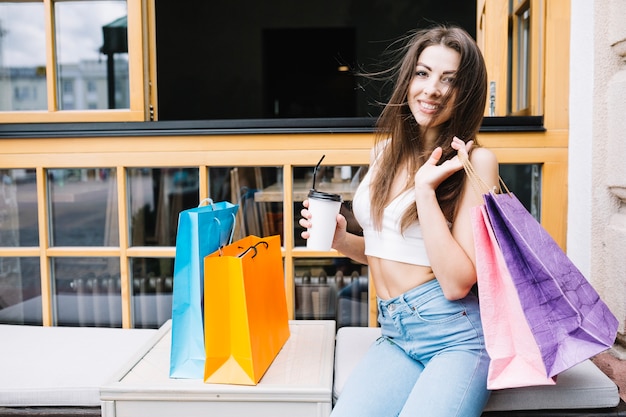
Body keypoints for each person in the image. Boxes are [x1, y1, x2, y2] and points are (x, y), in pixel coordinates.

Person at [299, 25, 499, 417]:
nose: (432, 89)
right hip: (396, 331)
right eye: (423, 73)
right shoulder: (385, 151)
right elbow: (387, 250)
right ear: (408, 79)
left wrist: (425, 191)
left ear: (468, 92)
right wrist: (342, 242)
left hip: (457, 336)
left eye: (450, 80)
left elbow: (459, 281)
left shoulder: (475, 163)